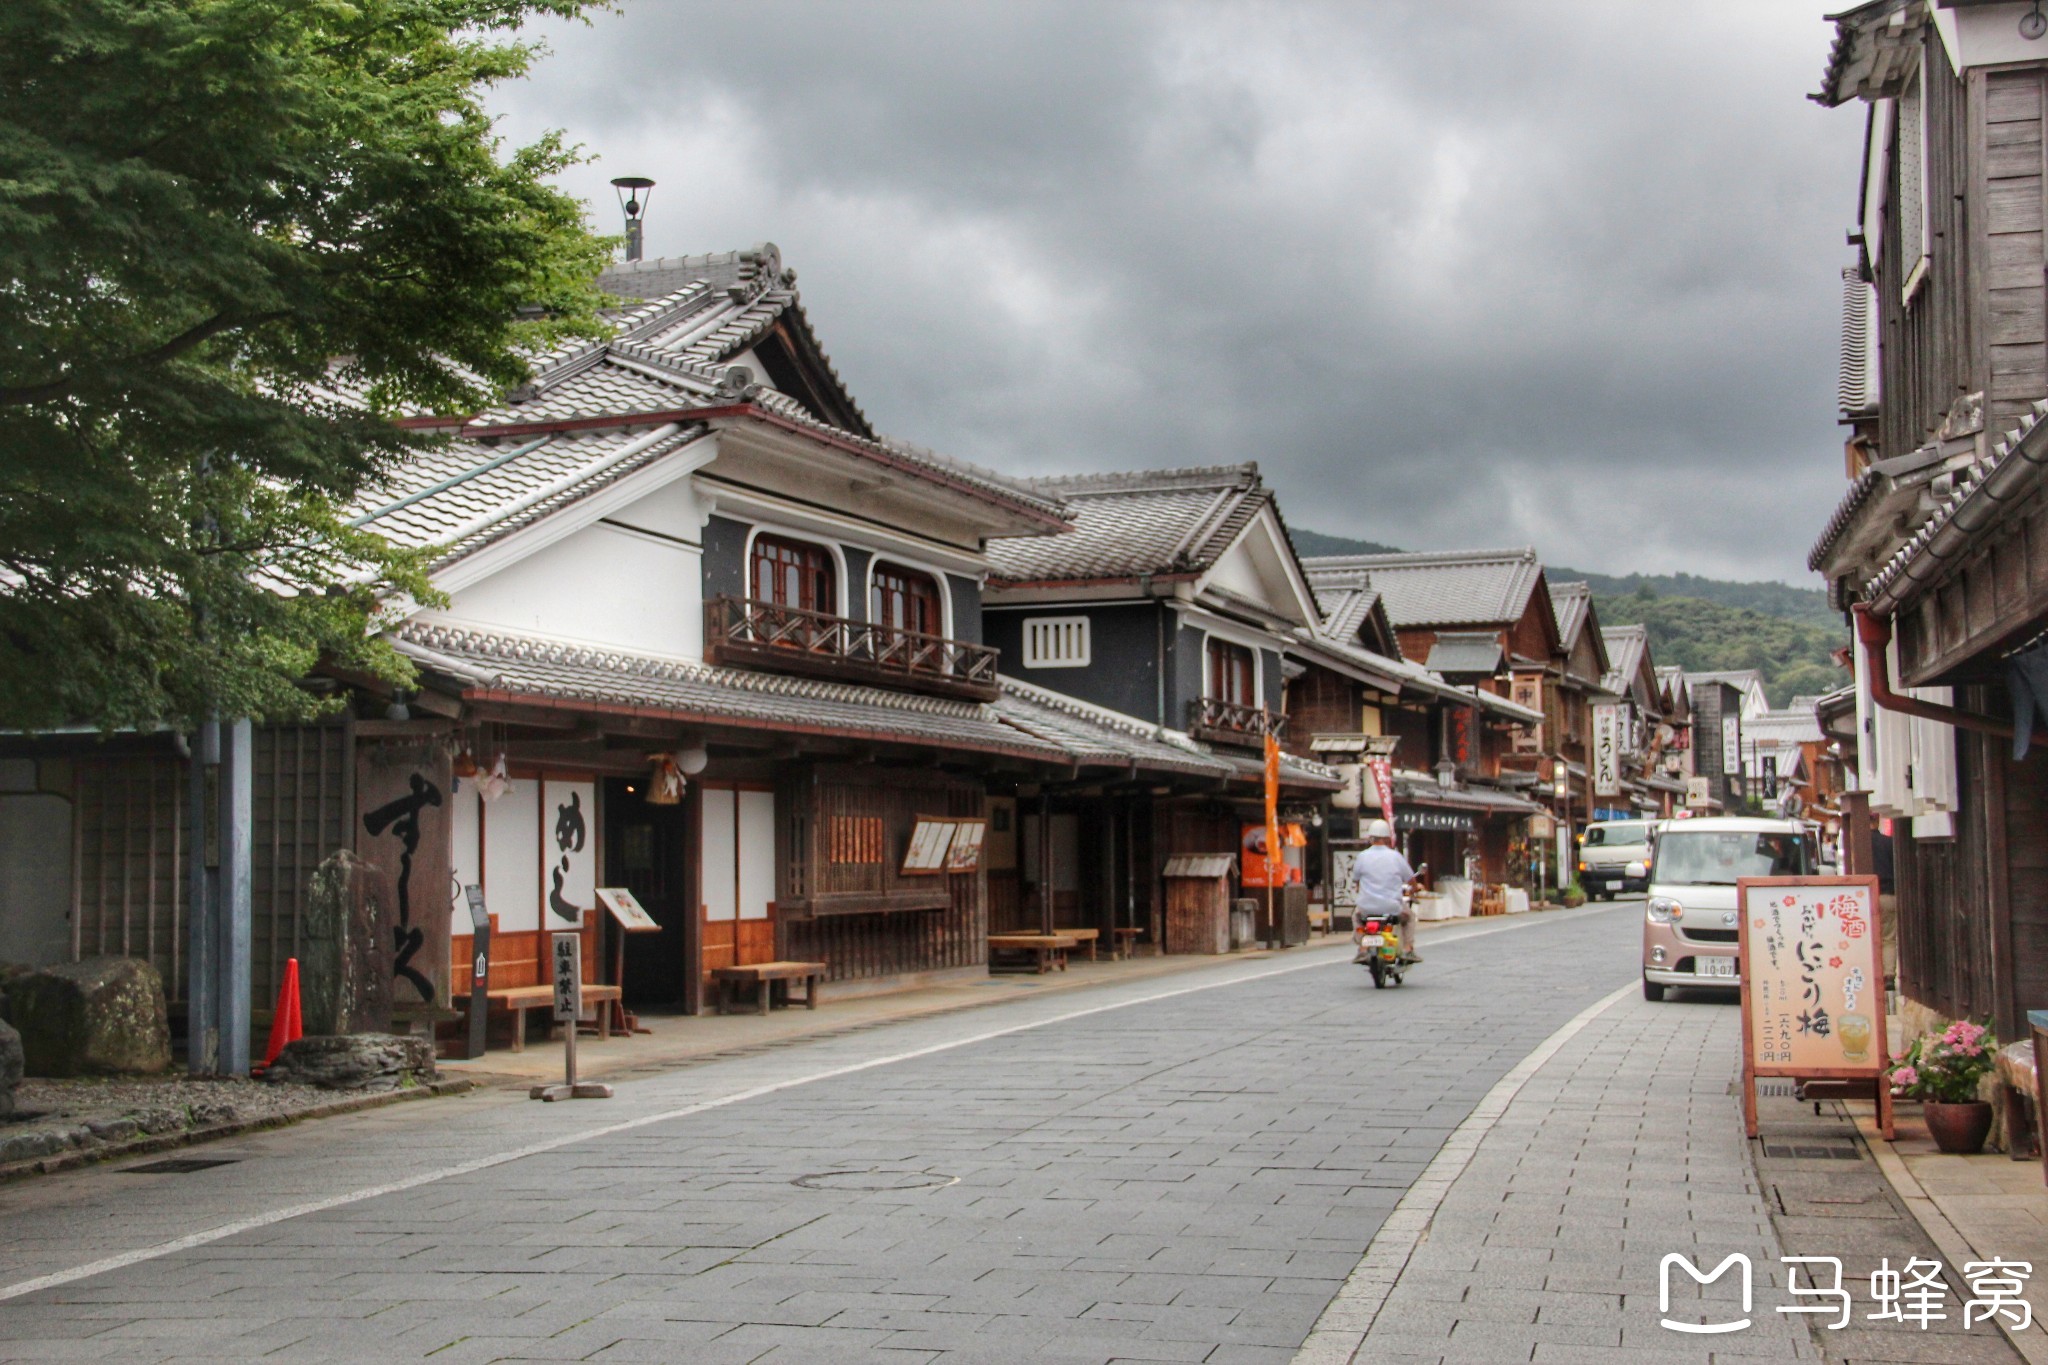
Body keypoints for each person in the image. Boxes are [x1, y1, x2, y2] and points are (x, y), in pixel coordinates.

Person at [1351, 819, 1421, 963]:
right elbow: (1410, 878)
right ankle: (1408, 949)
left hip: (1366, 908)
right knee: (1409, 917)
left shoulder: (1362, 856)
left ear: (1370, 838)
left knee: (1356, 917)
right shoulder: (1395, 856)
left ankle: (1363, 949)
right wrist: (1414, 890)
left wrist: (1361, 888)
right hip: (1392, 907)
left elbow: (1356, 879)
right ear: (1387, 838)